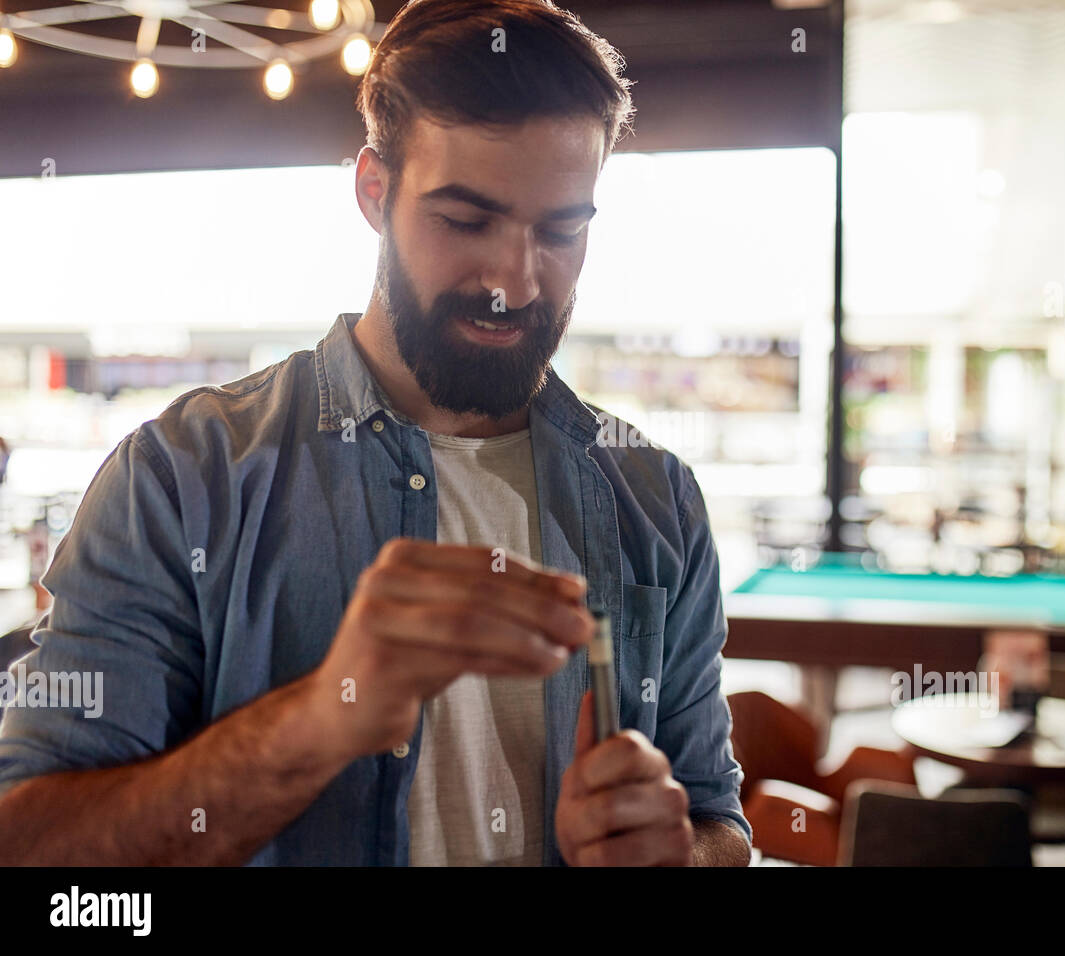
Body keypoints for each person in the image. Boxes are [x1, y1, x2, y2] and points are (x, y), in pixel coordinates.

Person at [0, 0, 750, 867]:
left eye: (560, 230)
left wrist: (679, 853)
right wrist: (319, 721)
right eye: (464, 220)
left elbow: (716, 815)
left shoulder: (655, 497)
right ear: (374, 191)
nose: (514, 277)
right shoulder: (179, 477)